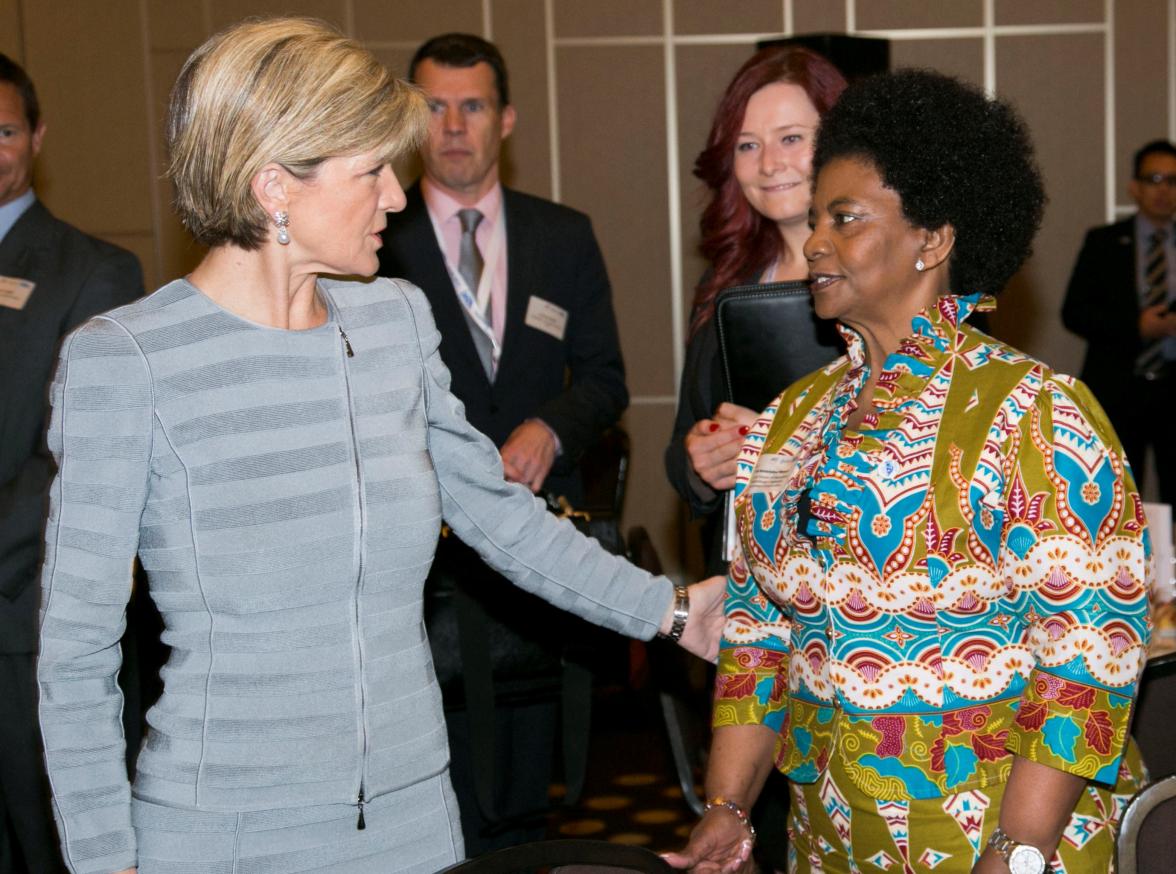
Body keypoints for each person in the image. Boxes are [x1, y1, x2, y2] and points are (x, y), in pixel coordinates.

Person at [35, 19, 724, 874]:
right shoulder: (129, 360)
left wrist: (673, 611)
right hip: (224, 834)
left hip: (414, 823)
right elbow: (74, 649)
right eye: (372, 173)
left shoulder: (393, 321)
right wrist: (104, 859)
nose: (399, 198)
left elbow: (499, 516)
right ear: (273, 185)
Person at [666, 70, 1150, 874]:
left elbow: (1087, 662)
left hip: (999, 841)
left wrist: (1016, 850)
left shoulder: (1035, 413)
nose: (815, 240)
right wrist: (727, 806)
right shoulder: (792, 418)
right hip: (830, 842)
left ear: (934, 239)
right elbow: (756, 635)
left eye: (844, 218)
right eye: (816, 218)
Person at [377, 33, 630, 853]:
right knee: (425, 781)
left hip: (531, 544)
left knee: (525, 787)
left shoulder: (564, 235)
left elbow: (604, 377)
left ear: (507, 118)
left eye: (473, 105)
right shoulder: (372, 239)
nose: (452, 126)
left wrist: (552, 428)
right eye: (432, 107)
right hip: (415, 558)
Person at [0, 53, 143, 874]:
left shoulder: (94, 271)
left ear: (39, 136)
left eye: (5, 129)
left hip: (20, 622)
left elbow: (74, 456)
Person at [665, 46, 846, 576]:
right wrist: (704, 462)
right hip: (747, 584)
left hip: (865, 588)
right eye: (748, 145)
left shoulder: (900, 279)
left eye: (792, 138)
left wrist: (787, 451)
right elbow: (681, 448)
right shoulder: (724, 284)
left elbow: (938, 452)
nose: (769, 164)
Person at [1062, 139, 1176, 507]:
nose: (1163, 190)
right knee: (1119, 499)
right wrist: (1137, 327)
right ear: (1135, 187)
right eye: (1154, 179)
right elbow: (1074, 312)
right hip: (1119, 388)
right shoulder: (1104, 242)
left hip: (1173, 387)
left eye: (1173, 181)